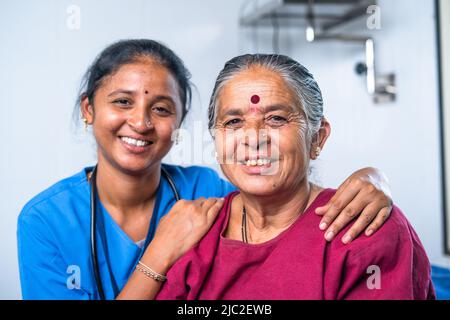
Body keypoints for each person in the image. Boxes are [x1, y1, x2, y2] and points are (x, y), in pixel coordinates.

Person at [18, 40, 393, 300]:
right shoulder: (45, 220)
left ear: (181, 122)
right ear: (88, 109)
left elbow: (281, 192)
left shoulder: (207, 190)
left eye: (162, 109)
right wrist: (158, 254)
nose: (141, 122)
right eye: (122, 101)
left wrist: (374, 178)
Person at [156, 54, 435, 300]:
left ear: (317, 138)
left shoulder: (365, 228)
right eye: (233, 122)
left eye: (276, 118)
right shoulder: (196, 232)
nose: (253, 138)